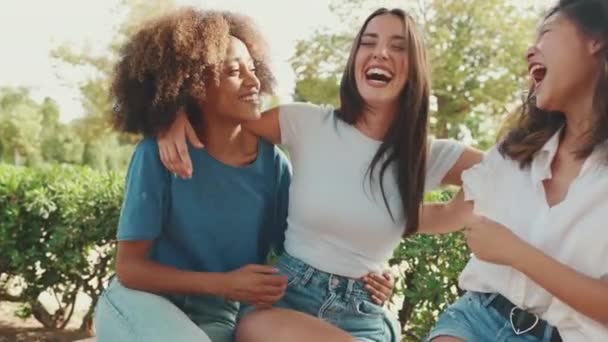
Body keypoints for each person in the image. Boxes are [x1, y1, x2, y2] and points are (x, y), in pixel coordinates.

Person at [158, 8, 482, 341]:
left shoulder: (425, 154)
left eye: (398, 46)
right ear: (355, 60)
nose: (380, 52)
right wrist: (171, 116)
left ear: (414, 69)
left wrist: (410, 217)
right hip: (286, 299)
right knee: (252, 329)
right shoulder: (308, 123)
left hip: (361, 314)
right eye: (368, 43)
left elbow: (502, 175)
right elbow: (224, 120)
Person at [93, 8, 389, 342]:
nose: (254, 81)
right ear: (193, 86)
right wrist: (223, 284)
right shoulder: (158, 154)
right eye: (235, 71)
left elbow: (308, 247)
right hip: (140, 304)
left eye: (253, 68)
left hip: (218, 317)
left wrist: (364, 274)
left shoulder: (273, 166)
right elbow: (130, 269)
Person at [421, 0, 608, 341]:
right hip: (478, 319)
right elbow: (447, 214)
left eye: (546, 32)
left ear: (596, 40)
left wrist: (514, 252)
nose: (529, 51)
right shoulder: (517, 151)